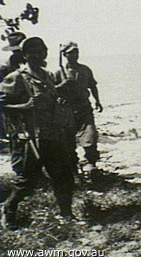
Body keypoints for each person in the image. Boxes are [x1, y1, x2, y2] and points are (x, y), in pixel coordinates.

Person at [0, 37, 75, 229]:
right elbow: (2, 104)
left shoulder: (48, 75)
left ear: (45, 53)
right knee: (27, 182)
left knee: (63, 175)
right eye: (32, 51)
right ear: (24, 55)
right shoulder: (17, 77)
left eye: (40, 50)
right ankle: (8, 209)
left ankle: (66, 215)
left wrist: (60, 100)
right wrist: (24, 106)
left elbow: (50, 99)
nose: (37, 54)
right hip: (31, 138)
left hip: (53, 134)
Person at [54, 42, 103, 173]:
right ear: (64, 55)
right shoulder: (58, 73)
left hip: (84, 107)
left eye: (76, 52)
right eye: (71, 53)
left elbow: (92, 85)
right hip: (67, 110)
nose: (75, 55)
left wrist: (97, 101)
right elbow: (51, 91)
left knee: (90, 136)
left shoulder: (85, 69)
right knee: (68, 141)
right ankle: (72, 167)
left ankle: (91, 164)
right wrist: (62, 86)